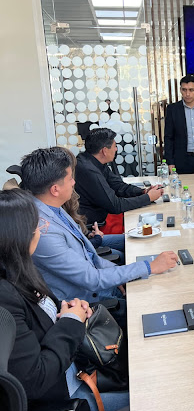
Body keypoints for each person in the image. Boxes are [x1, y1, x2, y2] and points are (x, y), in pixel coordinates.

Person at [0, 188, 129, 411]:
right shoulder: (5, 299)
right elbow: (36, 378)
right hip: (64, 402)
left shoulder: (20, 270)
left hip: (78, 366)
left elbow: (39, 321)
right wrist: (71, 322)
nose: (41, 229)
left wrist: (67, 310)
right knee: (151, 400)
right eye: (36, 225)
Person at [20, 147, 178, 326]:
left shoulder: (50, 207)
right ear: (55, 189)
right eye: (70, 178)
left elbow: (90, 256)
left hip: (101, 286)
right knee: (159, 300)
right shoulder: (43, 231)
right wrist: (149, 266)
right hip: (87, 304)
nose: (74, 183)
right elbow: (92, 279)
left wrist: (119, 275)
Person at [74, 128, 163, 225]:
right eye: (115, 146)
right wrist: (148, 198)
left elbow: (118, 186)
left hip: (103, 215)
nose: (116, 149)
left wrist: (142, 192)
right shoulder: (89, 170)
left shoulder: (94, 161)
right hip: (96, 225)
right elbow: (115, 205)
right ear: (104, 151)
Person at [61, 146, 125, 261]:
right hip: (84, 250)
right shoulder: (50, 216)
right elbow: (74, 249)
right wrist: (96, 239)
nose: (74, 182)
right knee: (122, 256)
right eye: (70, 178)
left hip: (87, 239)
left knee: (128, 241)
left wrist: (88, 234)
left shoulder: (61, 205)